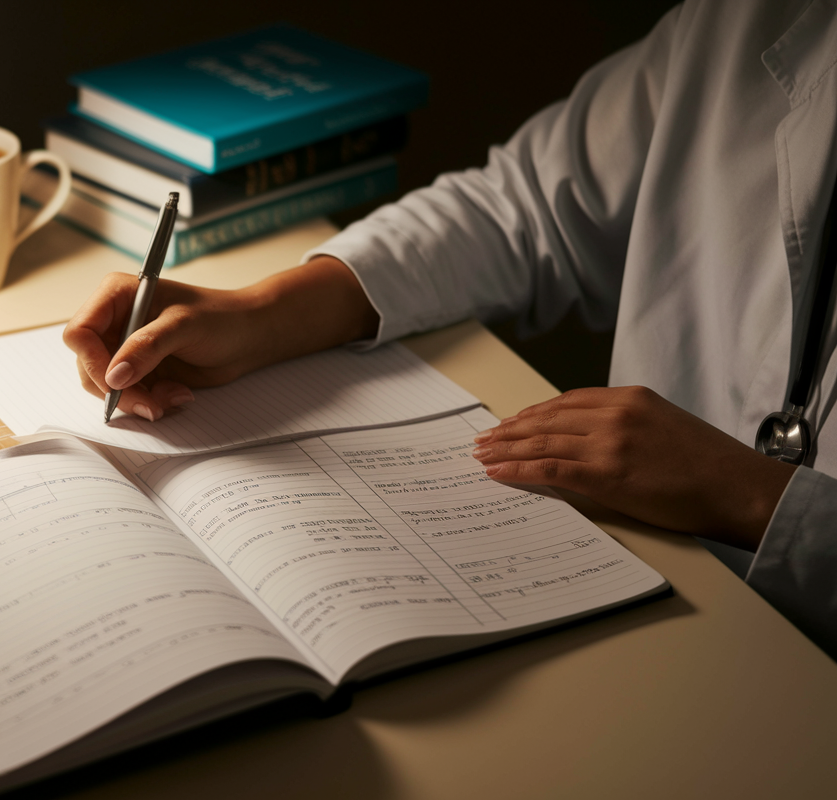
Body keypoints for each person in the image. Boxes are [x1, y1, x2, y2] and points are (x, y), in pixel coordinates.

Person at [62, 0, 837, 657]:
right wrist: (267, 314)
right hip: (653, 596)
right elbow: (520, 207)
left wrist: (754, 497)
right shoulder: (743, 21)